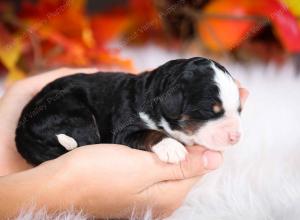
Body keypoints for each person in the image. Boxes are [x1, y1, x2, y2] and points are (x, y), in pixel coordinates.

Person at [0, 67, 249, 219]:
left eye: (235, 110)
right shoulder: (137, 108)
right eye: (211, 112)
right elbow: (126, 134)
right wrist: (156, 140)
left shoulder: (154, 97)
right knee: (84, 130)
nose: (235, 132)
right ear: (172, 101)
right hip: (59, 113)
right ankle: (61, 146)